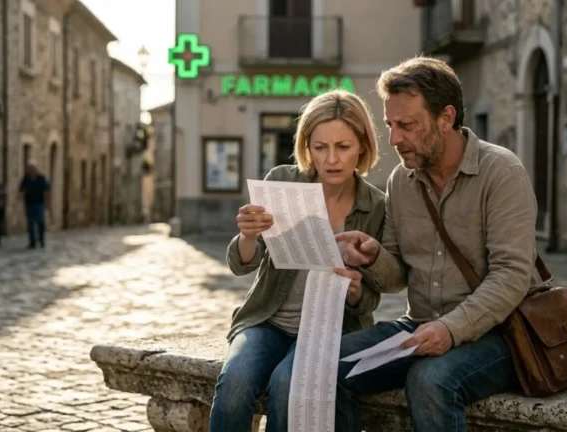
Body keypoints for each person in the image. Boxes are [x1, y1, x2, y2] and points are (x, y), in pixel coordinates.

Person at [331, 56, 542, 431]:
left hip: (499, 334)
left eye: (407, 125)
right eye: (390, 125)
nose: (394, 139)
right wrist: (375, 255)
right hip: (420, 326)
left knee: (430, 379)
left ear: (446, 118)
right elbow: (396, 277)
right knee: (323, 364)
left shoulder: (502, 172)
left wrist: (450, 329)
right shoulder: (401, 180)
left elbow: (511, 276)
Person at [208, 89, 387, 432]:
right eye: (320, 147)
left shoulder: (376, 206)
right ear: (307, 147)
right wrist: (247, 236)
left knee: (287, 385)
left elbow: (375, 293)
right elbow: (241, 264)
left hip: (330, 330)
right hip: (267, 320)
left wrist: (357, 290)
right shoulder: (283, 181)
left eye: (343, 147)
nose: (331, 159)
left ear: (362, 145)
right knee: (234, 383)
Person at [19, 160, 50, 249]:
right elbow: (21, 189)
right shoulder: (26, 178)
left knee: (40, 222)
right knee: (30, 224)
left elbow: (46, 191)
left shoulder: (42, 178)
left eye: (33, 168)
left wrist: (47, 203)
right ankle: (32, 242)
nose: (31, 170)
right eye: (29, 168)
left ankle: (41, 240)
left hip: (39, 203)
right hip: (29, 204)